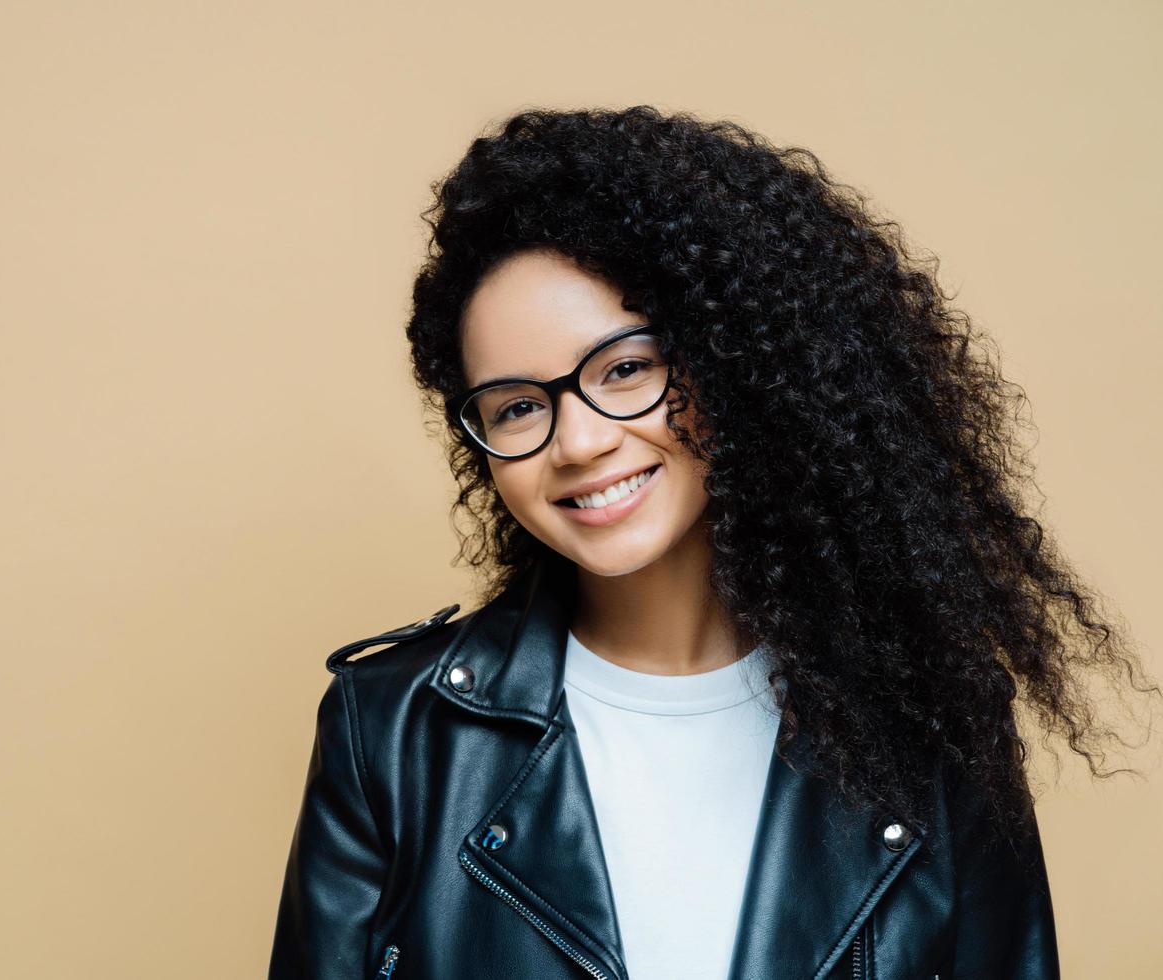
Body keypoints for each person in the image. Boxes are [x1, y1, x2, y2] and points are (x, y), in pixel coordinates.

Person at [267, 106, 1156, 979]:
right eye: (518, 407)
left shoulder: (927, 723)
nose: (576, 443)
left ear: (733, 360)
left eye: (625, 369)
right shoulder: (390, 728)